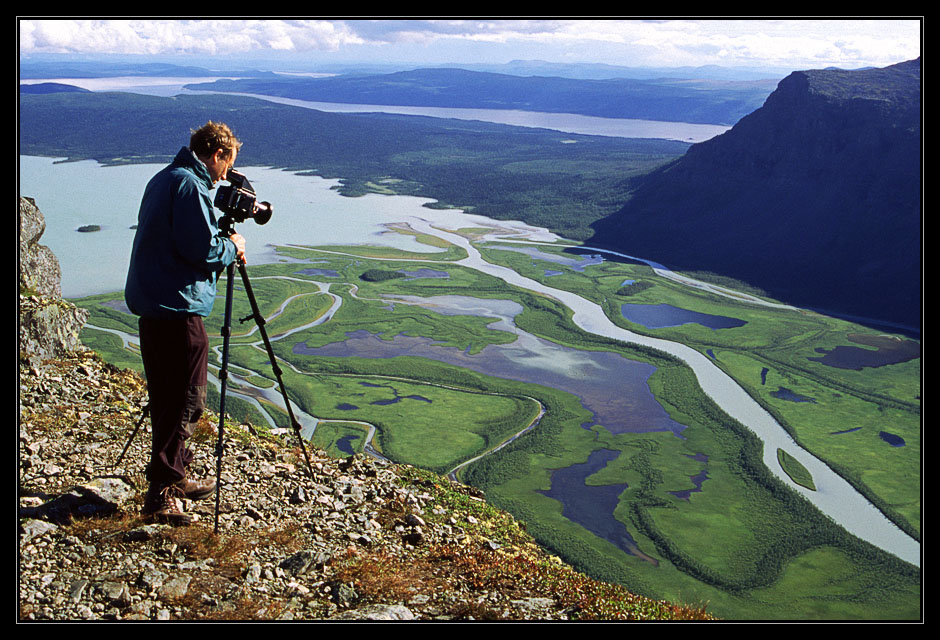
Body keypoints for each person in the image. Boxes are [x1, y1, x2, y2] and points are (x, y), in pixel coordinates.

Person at [125, 121, 247, 525]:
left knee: (166, 397)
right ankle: (163, 492)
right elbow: (203, 249)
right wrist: (231, 246)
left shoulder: (165, 177)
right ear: (217, 155)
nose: (226, 175)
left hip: (153, 305)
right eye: (227, 165)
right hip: (178, 309)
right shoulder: (191, 186)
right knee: (187, 399)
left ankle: (175, 475)